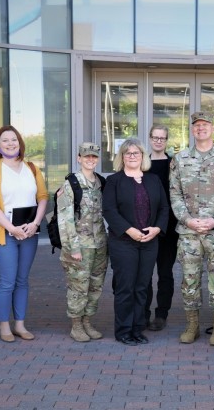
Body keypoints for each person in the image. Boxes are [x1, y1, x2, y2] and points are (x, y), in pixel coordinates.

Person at [170, 111, 214, 346]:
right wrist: (187, 219)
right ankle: (192, 326)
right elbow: (174, 193)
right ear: (192, 130)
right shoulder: (179, 159)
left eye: (205, 125)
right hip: (189, 232)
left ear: (213, 129)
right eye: (197, 125)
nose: (201, 128)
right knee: (189, 281)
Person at [0, 125, 49, 343]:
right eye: (5, 141)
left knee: (22, 280)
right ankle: (4, 326)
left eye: (14, 140)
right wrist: (12, 229)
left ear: (20, 143)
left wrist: (36, 223)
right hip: (5, 234)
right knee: (7, 281)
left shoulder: (32, 168)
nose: (10, 143)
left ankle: (20, 324)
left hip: (29, 233)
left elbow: (43, 197)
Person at [103, 138, 169, 346]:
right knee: (125, 287)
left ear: (143, 156)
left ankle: (138, 328)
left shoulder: (153, 180)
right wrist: (129, 230)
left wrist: (157, 228)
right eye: (128, 153)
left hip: (150, 241)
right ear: (121, 157)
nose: (132, 156)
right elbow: (109, 211)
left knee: (142, 286)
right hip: (123, 242)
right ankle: (123, 331)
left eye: (136, 153)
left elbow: (164, 209)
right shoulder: (114, 181)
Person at [57, 143, 107, 342]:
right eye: (86, 156)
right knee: (78, 286)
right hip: (79, 245)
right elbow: (65, 219)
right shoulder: (71, 183)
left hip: (100, 244)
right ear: (79, 158)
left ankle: (87, 321)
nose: (90, 160)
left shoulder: (101, 182)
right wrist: (72, 248)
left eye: (94, 157)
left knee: (95, 285)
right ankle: (76, 325)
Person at [145, 125, 179, 331]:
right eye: (155, 137)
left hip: (169, 226)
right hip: (145, 225)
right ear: (149, 139)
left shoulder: (173, 164)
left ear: (166, 141)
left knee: (165, 272)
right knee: (145, 273)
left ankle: (161, 314)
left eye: (162, 138)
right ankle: (143, 313)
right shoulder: (142, 163)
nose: (158, 141)